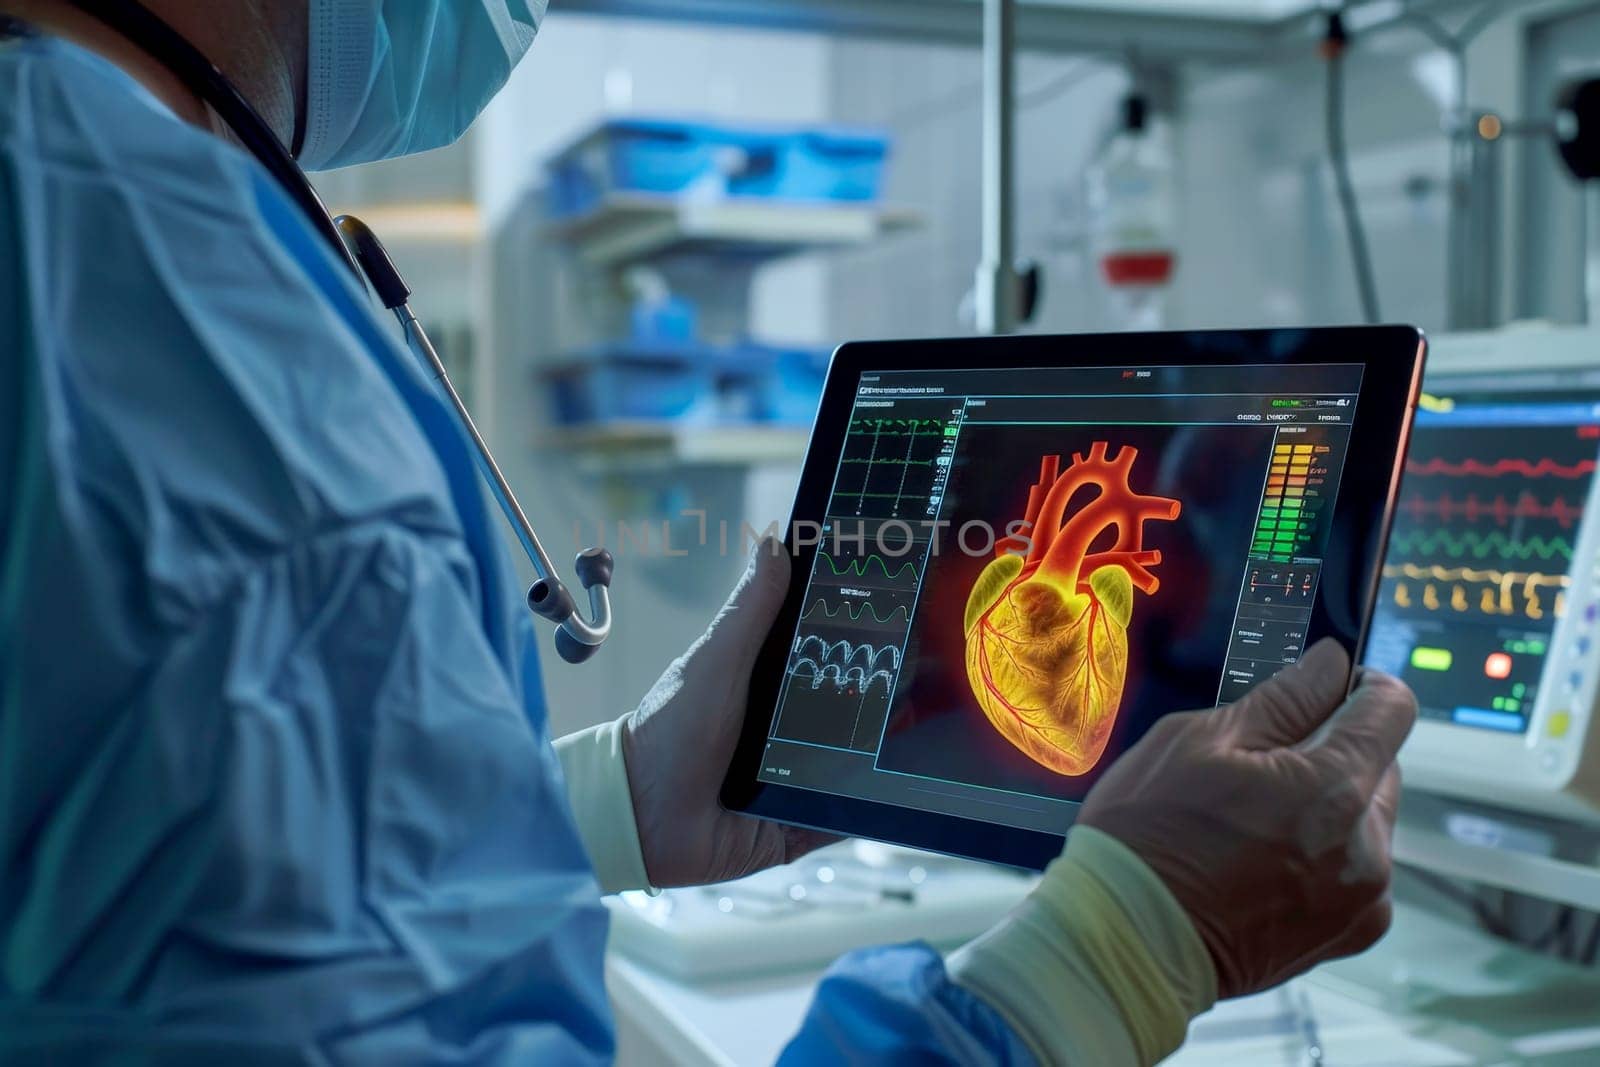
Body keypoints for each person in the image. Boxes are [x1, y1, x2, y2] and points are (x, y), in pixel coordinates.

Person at [0, 2, 1419, 1063]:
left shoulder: (64, 208)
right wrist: (1120, 950)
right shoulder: (193, 365)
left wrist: (612, 804)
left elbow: (148, 859)